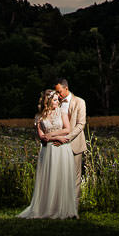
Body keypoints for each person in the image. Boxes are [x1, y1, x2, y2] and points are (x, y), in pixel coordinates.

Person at [17, 88, 78, 219]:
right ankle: (47, 208)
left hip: (62, 150)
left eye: (58, 99)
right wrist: (56, 138)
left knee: (61, 177)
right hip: (48, 150)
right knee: (49, 177)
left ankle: (63, 209)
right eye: (55, 100)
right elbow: (42, 137)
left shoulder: (61, 112)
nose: (58, 102)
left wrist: (51, 134)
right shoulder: (39, 117)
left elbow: (67, 129)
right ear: (48, 102)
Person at [52, 79, 87, 191]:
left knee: (75, 180)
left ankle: (73, 208)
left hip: (74, 145)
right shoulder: (55, 102)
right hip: (58, 145)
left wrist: (66, 138)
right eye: (56, 92)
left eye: (59, 91)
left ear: (66, 88)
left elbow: (81, 125)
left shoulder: (79, 102)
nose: (58, 94)